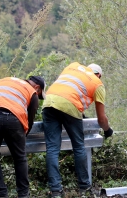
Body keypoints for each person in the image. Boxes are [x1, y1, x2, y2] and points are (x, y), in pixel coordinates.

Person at [42, 62, 113, 197]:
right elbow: (101, 119)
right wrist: (107, 130)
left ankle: (56, 190)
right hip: (69, 106)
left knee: (52, 148)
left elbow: (67, 90)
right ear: (98, 75)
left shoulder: (73, 66)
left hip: (49, 102)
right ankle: (85, 187)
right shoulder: (98, 83)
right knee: (79, 146)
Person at [0, 75, 46, 198]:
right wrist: (22, 137)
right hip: (13, 119)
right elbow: (29, 120)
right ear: (37, 87)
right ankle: (23, 195)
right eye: (39, 93)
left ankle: (0, 194)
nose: (38, 95)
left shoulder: (4, 80)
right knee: (20, 158)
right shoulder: (32, 92)